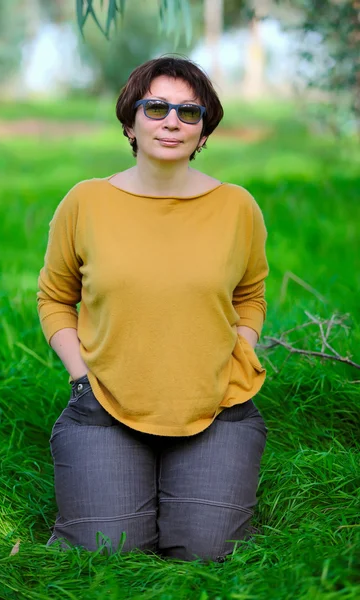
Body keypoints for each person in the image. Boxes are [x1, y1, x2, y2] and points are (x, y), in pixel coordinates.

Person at [37, 55, 269, 563]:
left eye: (189, 112)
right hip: (104, 406)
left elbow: (250, 296)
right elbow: (56, 298)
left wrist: (240, 351)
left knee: (207, 554)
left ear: (204, 129)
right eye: (157, 106)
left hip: (217, 408)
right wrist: (81, 379)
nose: (172, 122)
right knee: (109, 554)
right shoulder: (86, 202)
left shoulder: (238, 208)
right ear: (131, 121)